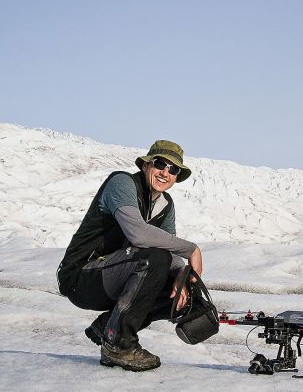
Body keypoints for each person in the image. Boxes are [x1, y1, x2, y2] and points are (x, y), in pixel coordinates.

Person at [57, 140, 203, 372]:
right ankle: (118, 345)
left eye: (173, 169)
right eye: (160, 164)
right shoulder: (122, 183)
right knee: (155, 258)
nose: (165, 172)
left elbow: (170, 252)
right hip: (83, 277)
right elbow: (138, 234)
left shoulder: (165, 204)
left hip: (117, 276)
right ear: (146, 165)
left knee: (179, 288)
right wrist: (191, 249)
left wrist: (180, 277)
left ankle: (107, 327)